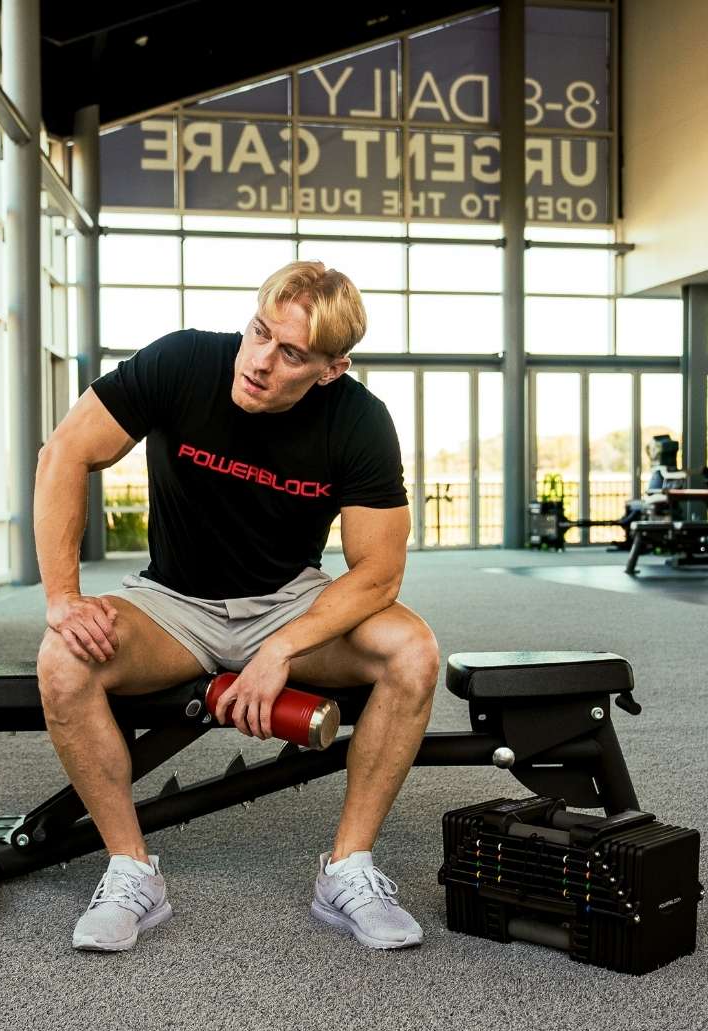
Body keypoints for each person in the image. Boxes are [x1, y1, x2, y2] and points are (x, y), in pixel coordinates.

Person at [34, 261, 440, 952]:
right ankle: (132, 870)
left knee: (414, 650)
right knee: (62, 658)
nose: (260, 362)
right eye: (260, 333)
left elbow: (379, 573)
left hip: (289, 604)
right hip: (171, 604)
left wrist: (280, 649)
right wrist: (64, 598)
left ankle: (347, 868)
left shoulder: (359, 420)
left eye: (291, 355)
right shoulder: (184, 360)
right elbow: (65, 451)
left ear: (331, 368)